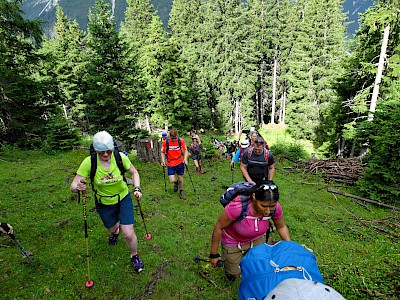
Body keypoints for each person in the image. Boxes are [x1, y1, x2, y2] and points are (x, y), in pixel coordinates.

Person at [70, 131, 144, 272]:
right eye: (101, 152)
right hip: (103, 203)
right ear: (96, 151)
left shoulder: (119, 157)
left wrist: (137, 188)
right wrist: (77, 187)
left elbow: (134, 173)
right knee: (112, 228)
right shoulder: (89, 162)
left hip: (123, 198)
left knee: (128, 233)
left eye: (109, 151)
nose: (105, 155)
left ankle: (134, 255)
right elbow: (73, 185)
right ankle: (115, 231)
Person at [209, 182, 290, 281]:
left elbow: (281, 226)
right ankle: (231, 273)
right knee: (234, 274)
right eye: (263, 206)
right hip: (233, 242)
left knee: (257, 267)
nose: (268, 211)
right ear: (254, 197)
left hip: (257, 239)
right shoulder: (237, 207)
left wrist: (290, 247)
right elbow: (219, 227)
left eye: (272, 206)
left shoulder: (275, 207)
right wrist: (214, 254)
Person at [160, 128, 189, 200]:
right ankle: (176, 183)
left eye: (175, 138)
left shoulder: (180, 141)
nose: (173, 140)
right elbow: (162, 152)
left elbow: (185, 150)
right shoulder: (166, 142)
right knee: (171, 180)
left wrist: (185, 159)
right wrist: (163, 161)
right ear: (169, 136)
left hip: (179, 161)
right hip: (170, 163)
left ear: (177, 136)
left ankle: (181, 191)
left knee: (180, 178)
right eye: (172, 138)